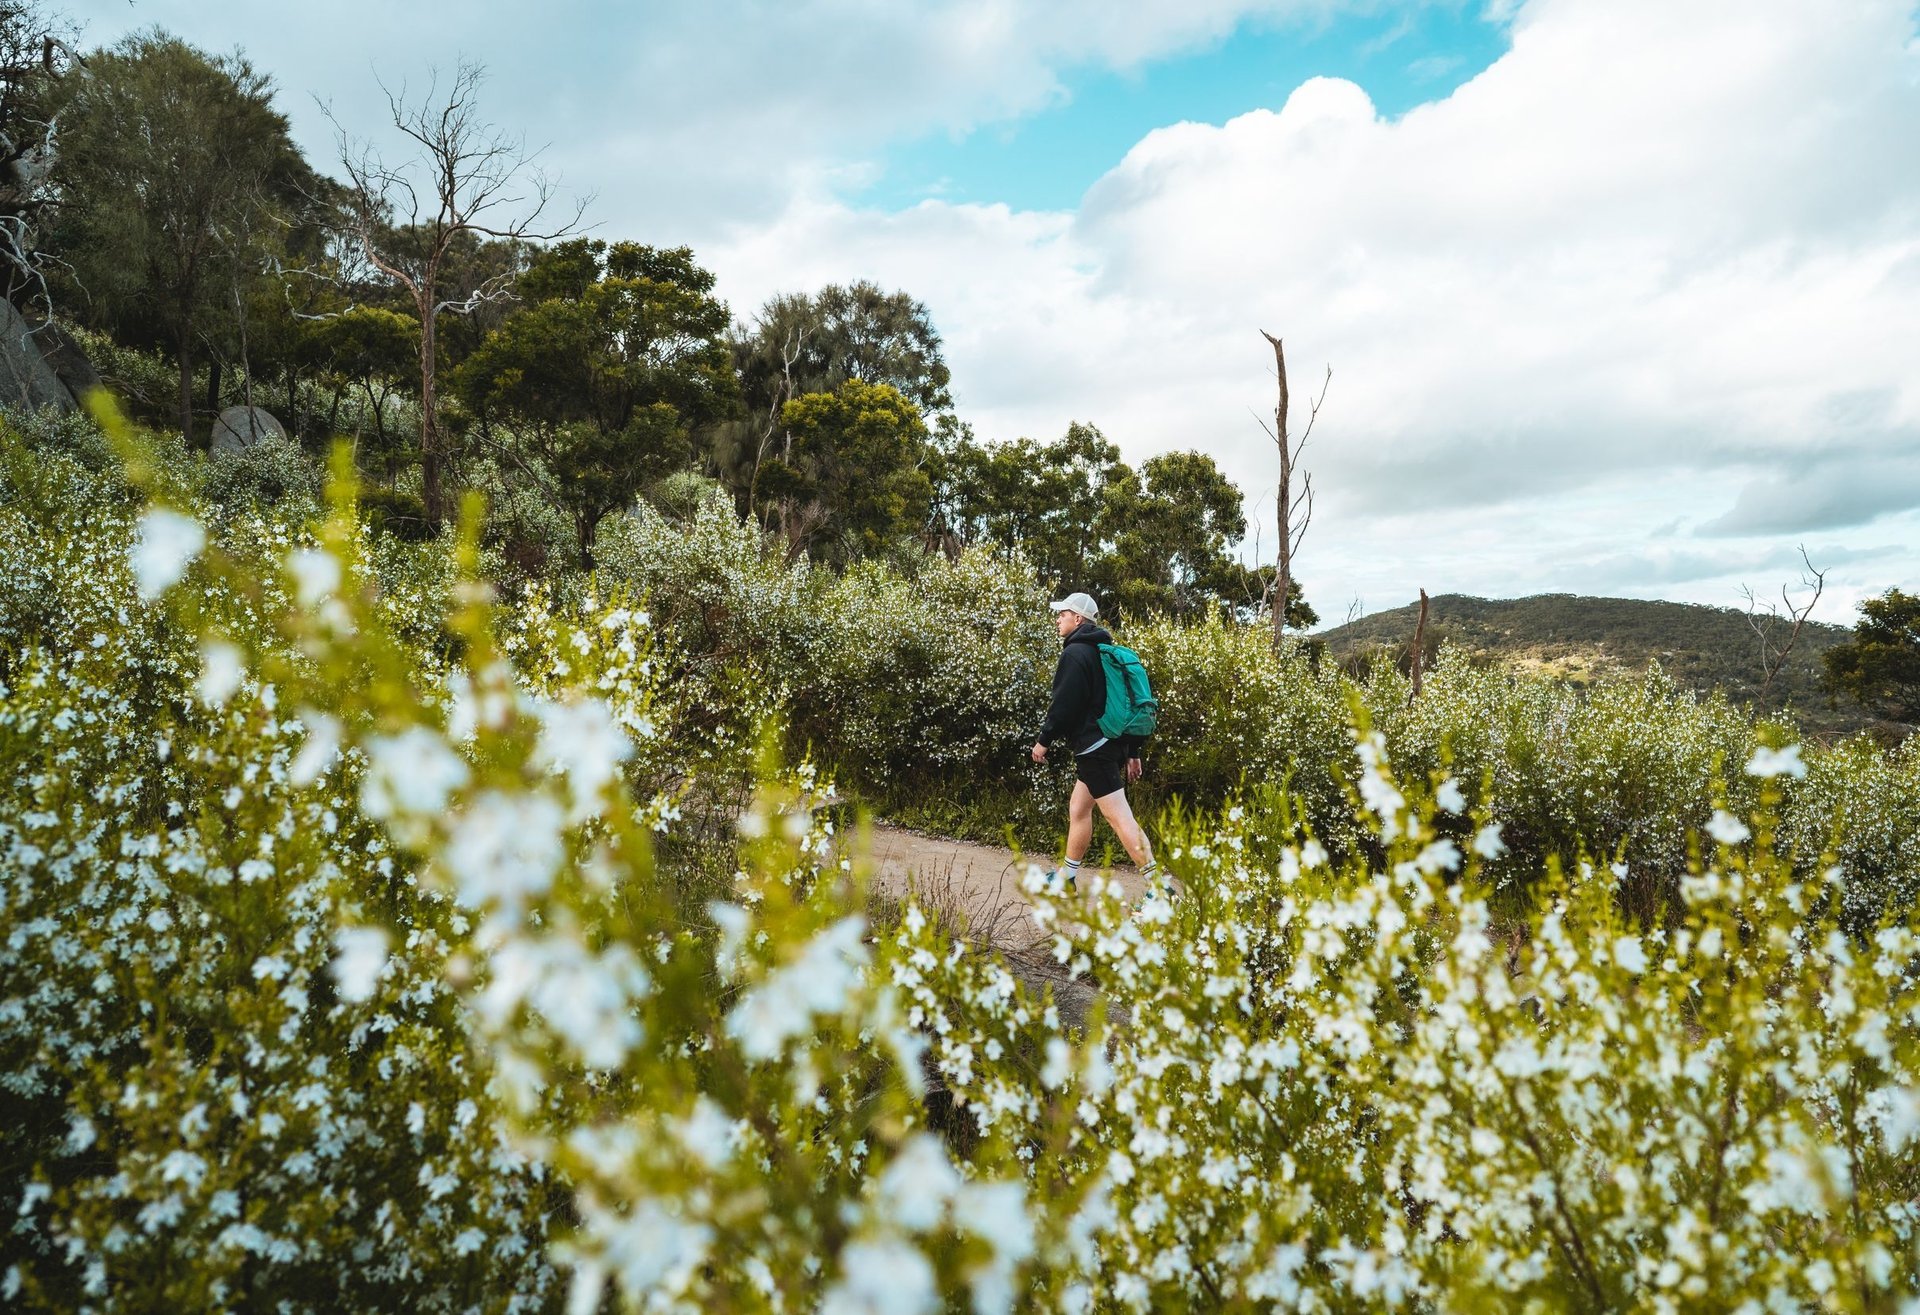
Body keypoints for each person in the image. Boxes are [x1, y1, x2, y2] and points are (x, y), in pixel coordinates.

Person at [1030, 591, 1165, 898]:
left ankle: (1160, 891)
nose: (1058, 619)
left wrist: (1043, 741)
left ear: (1078, 619)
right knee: (1079, 808)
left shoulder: (1076, 653)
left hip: (1095, 747)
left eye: (1062, 614)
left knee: (1120, 817)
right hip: (1112, 742)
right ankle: (1067, 877)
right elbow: (1124, 704)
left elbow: (1063, 704)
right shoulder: (1104, 651)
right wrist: (1133, 752)